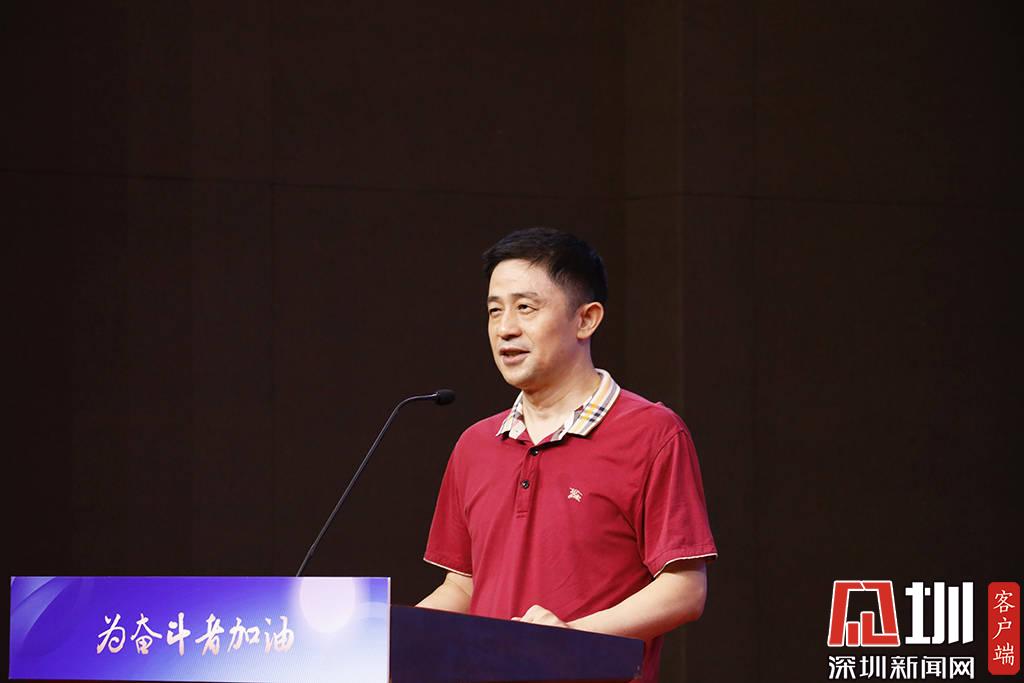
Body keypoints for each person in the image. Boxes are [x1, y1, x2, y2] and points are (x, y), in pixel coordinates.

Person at [418, 227, 717, 682]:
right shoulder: (475, 444)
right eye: (494, 310)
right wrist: (383, 639)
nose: (505, 328)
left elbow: (684, 589)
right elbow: (463, 586)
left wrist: (570, 637)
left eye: (525, 307)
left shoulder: (652, 433)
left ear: (586, 319)